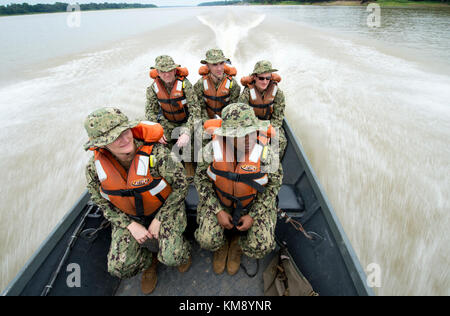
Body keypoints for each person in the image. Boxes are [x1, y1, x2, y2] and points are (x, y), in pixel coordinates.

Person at [84, 107, 191, 295]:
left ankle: (182, 251)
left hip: (164, 209)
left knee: (174, 256)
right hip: (128, 216)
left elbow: (181, 185)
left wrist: (159, 219)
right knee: (119, 267)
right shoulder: (95, 169)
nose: (125, 140)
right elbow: (100, 201)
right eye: (115, 138)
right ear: (101, 144)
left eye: (125, 132)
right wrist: (129, 225)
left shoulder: (156, 154)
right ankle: (149, 262)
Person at [194, 103, 283, 276]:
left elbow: (274, 186)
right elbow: (200, 180)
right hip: (221, 201)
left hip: (252, 203)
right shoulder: (211, 151)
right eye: (241, 135)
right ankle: (221, 245)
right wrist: (217, 210)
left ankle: (237, 245)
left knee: (262, 245)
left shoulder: (267, 154)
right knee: (206, 240)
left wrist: (253, 214)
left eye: (251, 132)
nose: (249, 138)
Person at [145, 55, 200, 174]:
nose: (167, 74)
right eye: (163, 72)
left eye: (170, 70)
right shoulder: (152, 89)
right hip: (167, 122)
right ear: (157, 72)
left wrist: (186, 132)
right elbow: (150, 112)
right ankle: (172, 172)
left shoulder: (185, 85)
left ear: (175, 70)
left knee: (190, 146)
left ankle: (190, 173)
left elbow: (195, 111)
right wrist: (157, 132)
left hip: (186, 121)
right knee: (160, 146)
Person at [239, 60, 287, 157]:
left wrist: (269, 130)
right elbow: (243, 117)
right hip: (251, 125)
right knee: (243, 141)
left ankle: (272, 166)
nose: (265, 82)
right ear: (255, 77)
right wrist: (258, 129)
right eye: (261, 78)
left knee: (280, 141)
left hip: (269, 124)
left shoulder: (278, 93)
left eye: (268, 78)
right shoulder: (247, 93)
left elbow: (278, 116)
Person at [194, 49, 241, 121]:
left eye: (221, 63)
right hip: (207, 122)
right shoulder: (200, 84)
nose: (219, 68)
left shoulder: (233, 84)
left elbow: (234, 109)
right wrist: (207, 123)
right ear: (207, 66)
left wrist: (224, 123)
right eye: (214, 64)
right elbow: (199, 108)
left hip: (226, 122)